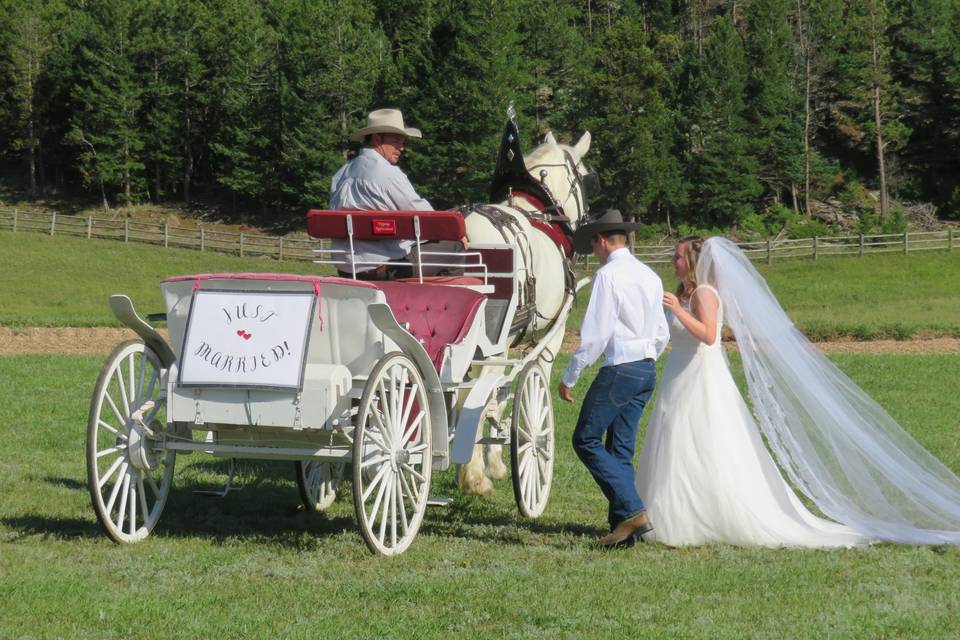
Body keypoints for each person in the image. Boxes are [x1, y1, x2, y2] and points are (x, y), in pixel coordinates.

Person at [636, 236, 960, 547]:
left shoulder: (704, 293)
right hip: (680, 373)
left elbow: (708, 335)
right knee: (676, 439)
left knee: (697, 440)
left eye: (678, 256)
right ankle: (672, 514)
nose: (673, 261)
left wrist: (678, 311)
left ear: (693, 261)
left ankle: (696, 518)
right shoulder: (687, 293)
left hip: (700, 376)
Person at [558, 209, 670, 547]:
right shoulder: (650, 275)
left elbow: (596, 335)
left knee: (586, 439)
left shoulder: (608, 276)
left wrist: (570, 376)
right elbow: (662, 333)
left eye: (593, 245)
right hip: (646, 367)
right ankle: (622, 530)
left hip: (620, 367)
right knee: (620, 448)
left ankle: (634, 511)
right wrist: (646, 356)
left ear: (602, 241)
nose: (593, 252)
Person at [330, 108, 465, 280]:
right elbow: (430, 220)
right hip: (383, 268)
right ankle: (441, 303)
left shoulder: (342, 173)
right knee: (454, 246)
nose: (402, 147)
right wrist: (456, 232)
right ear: (377, 139)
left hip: (347, 270)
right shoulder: (388, 174)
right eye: (396, 141)